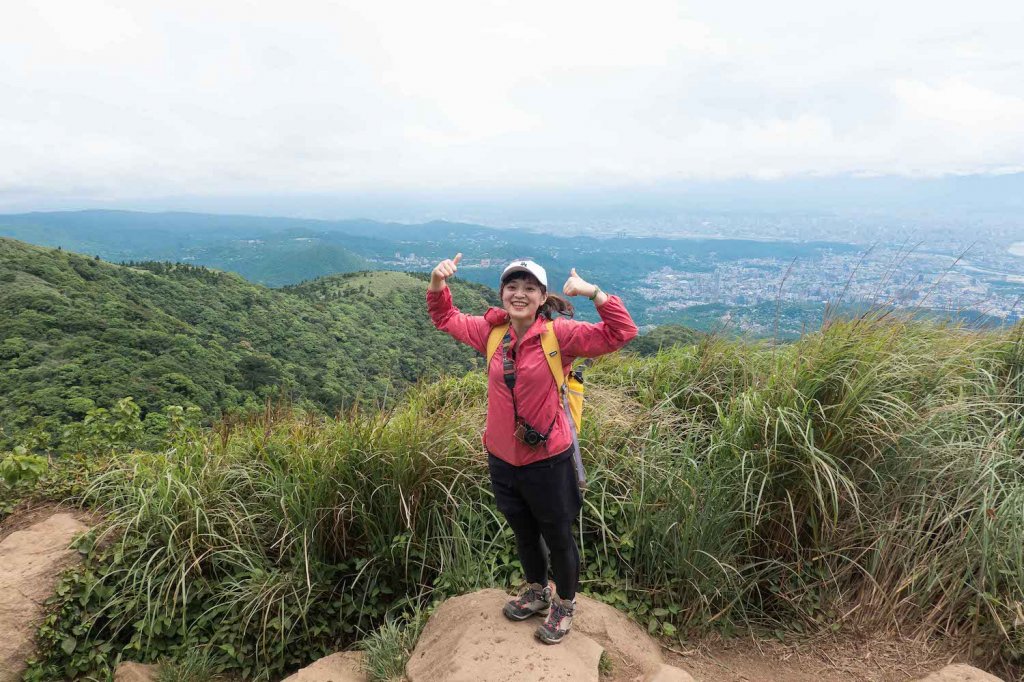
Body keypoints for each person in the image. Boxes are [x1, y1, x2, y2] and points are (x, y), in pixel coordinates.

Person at [426, 253, 638, 644]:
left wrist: (595, 293)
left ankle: (565, 604)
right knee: (523, 532)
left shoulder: (561, 336)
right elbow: (446, 318)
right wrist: (439, 284)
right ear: (502, 293)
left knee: (558, 535)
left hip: (548, 461)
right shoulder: (491, 333)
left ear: (543, 297)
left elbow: (622, 332)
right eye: (512, 286)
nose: (519, 294)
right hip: (503, 458)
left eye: (529, 288)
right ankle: (538, 591)